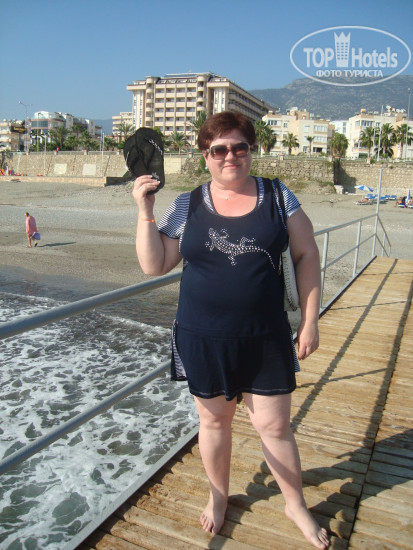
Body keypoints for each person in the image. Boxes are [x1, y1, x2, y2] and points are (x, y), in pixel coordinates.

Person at [132, 112, 329, 549]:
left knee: (275, 427)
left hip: (265, 338)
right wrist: (144, 210)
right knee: (214, 423)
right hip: (203, 337)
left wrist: (310, 320)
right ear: (206, 155)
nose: (230, 156)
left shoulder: (278, 196)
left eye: (240, 147)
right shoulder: (187, 204)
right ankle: (218, 496)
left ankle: (294, 504)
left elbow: (307, 254)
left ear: (251, 150)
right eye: (219, 149)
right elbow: (154, 264)